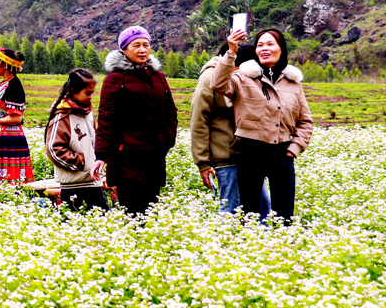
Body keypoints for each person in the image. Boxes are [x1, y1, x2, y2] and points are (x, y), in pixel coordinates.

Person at [212, 27, 314, 224]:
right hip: (251, 151)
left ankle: (281, 250)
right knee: (249, 214)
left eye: (270, 44)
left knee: (284, 216)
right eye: (260, 45)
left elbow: (305, 121)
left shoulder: (293, 83)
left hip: (282, 154)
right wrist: (231, 52)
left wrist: (293, 150)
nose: (264, 48)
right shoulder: (243, 77)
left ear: (281, 49)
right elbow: (217, 84)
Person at [95, 26, 178, 214]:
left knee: (150, 207)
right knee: (133, 210)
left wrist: (167, 140)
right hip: (127, 155)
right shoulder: (115, 79)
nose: (142, 50)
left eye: (146, 45)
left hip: (155, 154)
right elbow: (106, 119)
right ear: (124, 49)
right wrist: (100, 155)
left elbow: (171, 112)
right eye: (136, 45)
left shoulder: (158, 77)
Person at [191, 43, 270, 218]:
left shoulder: (248, 76)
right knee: (230, 208)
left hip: (248, 154)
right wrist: (202, 162)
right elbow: (199, 120)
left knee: (263, 205)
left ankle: (261, 242)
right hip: (226, 155)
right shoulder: (210, 77)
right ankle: (225, 242)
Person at [45, 69, 108, 211]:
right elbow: (53, 150)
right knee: (72, 221)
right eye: (88, 93)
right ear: (73, 91)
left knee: (103, 218)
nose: (91, 96)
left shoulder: (87, 113)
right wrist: (81, 162)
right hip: (73, 183)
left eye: (92, 92)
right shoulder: (62, 117)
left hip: (91, 181)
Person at [0, 46, 34, 183]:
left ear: (4, 64)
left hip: (11, 136)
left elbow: (16, 117)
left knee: (11, 175)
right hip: (2, 133)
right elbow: (4, 112)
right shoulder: (5, 84)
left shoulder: (14, 86)